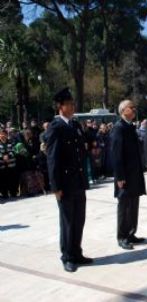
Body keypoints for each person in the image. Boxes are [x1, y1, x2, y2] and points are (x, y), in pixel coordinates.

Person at [46, 87, 92, 273]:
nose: (73, 106)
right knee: (67, 221)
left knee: (79, 219)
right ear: (60, 106)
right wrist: (56, 187)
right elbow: (52, 159)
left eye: (73, 103)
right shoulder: (55, 128)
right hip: (64, 184)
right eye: (69, 104)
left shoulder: (74, 125)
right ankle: (67, 256)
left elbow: (81, 152)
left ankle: (77, 251)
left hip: (78, 181)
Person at [111, 100, 146, 250]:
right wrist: (119, 176)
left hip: (134, 174)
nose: (134, 110)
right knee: (124, 206)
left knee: (133, 206)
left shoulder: (130, 127)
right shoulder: (119, 128)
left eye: (134, 107)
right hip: (124, 176)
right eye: (132, 107)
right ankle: (122, 236)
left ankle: (131, 233)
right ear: (123, 110)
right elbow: (116, 155)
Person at [0, 128, 18, 198]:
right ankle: (4, 194)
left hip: (11, 164)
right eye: (1, 134)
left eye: (4, 134)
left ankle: (13, 193)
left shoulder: (10, 142)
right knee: (3, 180)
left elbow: (14, 151)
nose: (2, 135)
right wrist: (2, 157)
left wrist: (8, 156)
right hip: (2, 165)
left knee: (12, 179)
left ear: (6, 135)